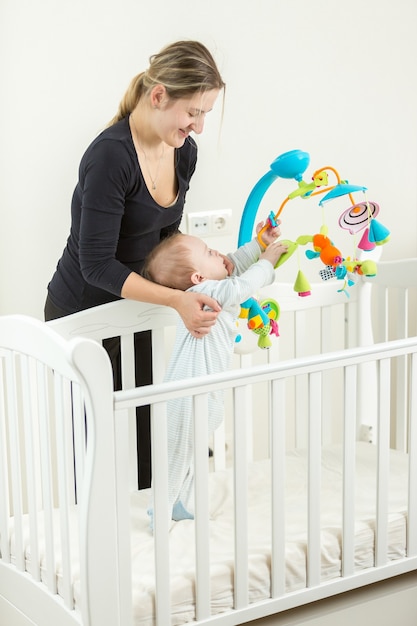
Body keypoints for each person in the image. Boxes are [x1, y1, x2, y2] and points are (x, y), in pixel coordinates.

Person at [44, 40, 226, 488]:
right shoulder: (111, 156)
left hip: (135, 306)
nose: (199, 127)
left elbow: (165, 244)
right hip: (82, 312)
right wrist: (176, 302)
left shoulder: (183, 152)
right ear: (159, 95)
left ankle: (155, 536)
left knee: (149, 426)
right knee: (93, 441)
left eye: (205, 114)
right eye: (193, 112)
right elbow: (97, 266)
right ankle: (90, 547)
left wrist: (219, 272)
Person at [142, 221, 288, 526]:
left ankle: (180, 501)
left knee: (195, 453)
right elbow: (240, 285)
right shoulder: (205, 292)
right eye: (209, 252)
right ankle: (160, 507)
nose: (218, 253)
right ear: (198, 277)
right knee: (179, 454)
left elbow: (231, 265)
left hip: (204, 392)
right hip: (186, 395)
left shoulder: (210, 285)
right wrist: (266, 262)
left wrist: (258, 244)